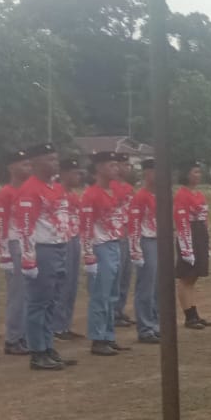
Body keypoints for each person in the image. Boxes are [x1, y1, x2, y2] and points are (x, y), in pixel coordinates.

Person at [17, 143, 77, 371]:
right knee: (38, 302)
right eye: (49, 159)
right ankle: (37, 352)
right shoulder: (30, 189)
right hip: (42, 250)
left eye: (56, 158)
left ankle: (47, 345)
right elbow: (25, 226)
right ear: (35, 163)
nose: (55, 163)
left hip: (60, 246)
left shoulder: (56, 187)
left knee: (53, 300)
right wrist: (29, 259)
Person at [81, 151, 130, 356]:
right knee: (100, 294)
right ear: (99, 168)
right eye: (111, 165)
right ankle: (98, 337)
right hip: (99, 245)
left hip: (114, 243)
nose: (116, 168)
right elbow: (85, 227)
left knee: (112, 294)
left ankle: (108, 335)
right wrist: (88, 254)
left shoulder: (114, 191)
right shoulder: (91, 194)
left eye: (116, 165)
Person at [0, 149, 32, 356]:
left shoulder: (29, 190)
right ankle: (13, 338)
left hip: (28, 244)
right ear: (11, 167)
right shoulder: (6, 193)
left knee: (29, 294)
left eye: (28, 163)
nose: (28, 166)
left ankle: (24, 335)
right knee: (18, 294)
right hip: (14, 244)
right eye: (23, 163)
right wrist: (3, 255)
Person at [174, 162, 211, 330]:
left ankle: (194, 313)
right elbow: (181, 221)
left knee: (194, 277)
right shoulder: (181, 195)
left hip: (199, 234)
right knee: (186, 278)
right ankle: (189, 316)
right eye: (195, 172)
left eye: (199, 172)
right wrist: (186, 247)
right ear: (187, 174)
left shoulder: (199, 194)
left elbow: (205, 218)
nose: (198, 175)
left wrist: (207, 242)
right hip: (188, 234)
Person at [53, 157, 87, 342]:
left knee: (72, 284)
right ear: (64, 174)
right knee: (61, 283)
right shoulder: (57, 192)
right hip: (61, 239)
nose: (79, 177)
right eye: (75, 173)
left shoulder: (73, 194)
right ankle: (56, 326)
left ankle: (65, 323)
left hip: (73, 238)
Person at [130, 159, 161, 344]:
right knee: (146, 286)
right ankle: (145, 327)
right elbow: (134, 224)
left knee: (158, 286)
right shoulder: (141, 196)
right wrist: (135, 249)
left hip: (159, 240)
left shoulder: (162, 195)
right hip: (147, 240)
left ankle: (156, 323)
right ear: (147, 174)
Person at [112, 160, 138, 329]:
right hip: (117, 233)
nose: (128, 168)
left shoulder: (129, 187)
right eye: (124, 164)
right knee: (117, 274)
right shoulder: (113, 186)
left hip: (129, 233)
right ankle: (113, 312)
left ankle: (119, 309)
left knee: (126, 276)